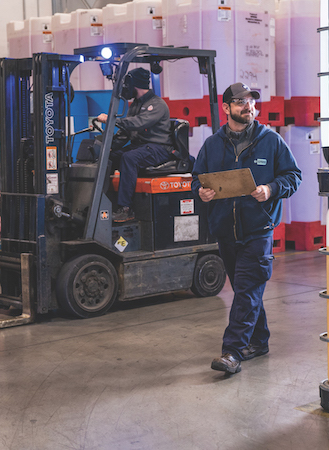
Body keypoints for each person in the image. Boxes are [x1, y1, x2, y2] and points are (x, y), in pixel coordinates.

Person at [191, 82, 302, 375]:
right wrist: (200, 192)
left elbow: (294, 176)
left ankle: (233, 351)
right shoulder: (212, 145)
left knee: (248, 289)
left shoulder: (271, 141)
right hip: (226, 230)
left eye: (251, 101)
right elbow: (196, 180)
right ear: (226, 108)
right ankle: (259, 340)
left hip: (258, 229)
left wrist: (271, 188)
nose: (248, 106)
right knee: (245, 289)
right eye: (240, 102)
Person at [97, 67, 172, 223]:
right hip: (142, 147)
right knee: (108, 157)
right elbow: (126, 132)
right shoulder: (136, 105)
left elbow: (138, 123)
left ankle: (125, 208)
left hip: (159, 148)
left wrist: (112, 119)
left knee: (129, 158)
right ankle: (101, 202)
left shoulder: (156, 104)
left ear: (134, 85)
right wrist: (109, 146)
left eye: (126, 84)